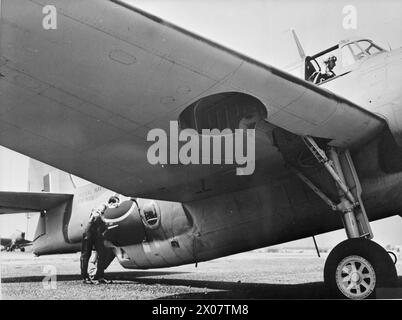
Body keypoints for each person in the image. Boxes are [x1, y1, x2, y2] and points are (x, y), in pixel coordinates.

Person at [81, 196, 120, 284]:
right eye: (116, 205)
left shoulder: (108, 211)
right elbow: (96, 215)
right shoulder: (103, 206)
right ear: (111, 203)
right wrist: (106, 221)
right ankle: (85, 278)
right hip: (89, 232)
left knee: (103, 253)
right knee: (86, 255)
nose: (117, 207)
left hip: (97, 233)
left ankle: (100, 276)